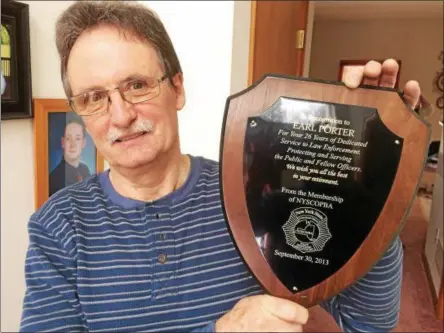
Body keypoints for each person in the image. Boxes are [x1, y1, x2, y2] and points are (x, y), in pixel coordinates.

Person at [20, 1, 423, 332]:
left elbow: (364, 324)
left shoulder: (256, 192)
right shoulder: (58, 225)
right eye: (93, 97)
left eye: (137, 85)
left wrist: (383, 186)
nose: (121, 115)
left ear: (177, 88)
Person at [49, 116, 91, 196]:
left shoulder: (85, 171)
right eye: (68, 139)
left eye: (77, 139)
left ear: (83, 143)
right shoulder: (54, 179)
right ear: (63, 142)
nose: (73, 145)